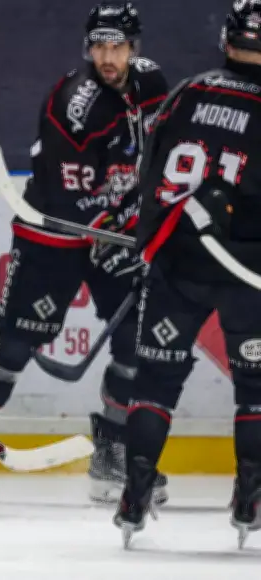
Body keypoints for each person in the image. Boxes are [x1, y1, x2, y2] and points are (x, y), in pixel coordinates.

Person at [0, 2, 169, 504]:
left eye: (117, 46)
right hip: (54, 236)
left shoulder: (153, 85)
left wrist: (138, 227)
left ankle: (112, 454)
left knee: (136, 343)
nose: (107, 57)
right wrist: (112, 233)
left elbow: (157, 156)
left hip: (116, 233)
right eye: (99, 46)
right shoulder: (75, 105)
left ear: (134, 48)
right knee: (12, 349)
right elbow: (67, 194)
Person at [115, 0, 261, 547]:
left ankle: (134, 493)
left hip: (177, 262)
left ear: (226, 40)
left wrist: (145, 240)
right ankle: (250, 496)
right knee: (255, 388)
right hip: (247, 270)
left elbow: (149, 171)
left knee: (154, 382)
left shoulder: (187, 92)